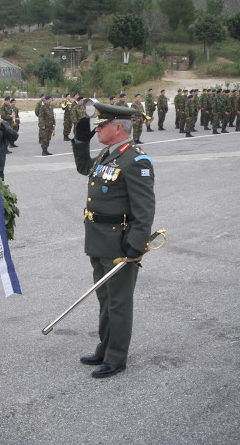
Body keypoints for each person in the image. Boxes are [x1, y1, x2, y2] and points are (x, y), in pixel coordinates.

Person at [71, 102, 155, 378]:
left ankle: (117, 357)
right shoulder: (108, 155)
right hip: (98, 239)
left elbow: (145, 209)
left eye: (102, 125)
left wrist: (136, 244)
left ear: (118, 127)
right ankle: (105, 347)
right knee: (105, 297)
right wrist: (80, 138)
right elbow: (84, 166)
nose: (98, 129)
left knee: (119, 302)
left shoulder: (135, 160)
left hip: (119, 244)